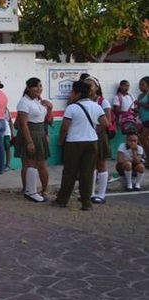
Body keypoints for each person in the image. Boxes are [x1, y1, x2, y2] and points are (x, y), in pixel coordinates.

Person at [54, 81, 108, 211]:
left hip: (74, 143)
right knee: (87, 173)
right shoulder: (96, 106)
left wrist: (61, 141)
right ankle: (86, 202)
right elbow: (105, 123)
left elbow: (64, 127)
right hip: (92, 142)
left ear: (77, 93)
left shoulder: (72, 108)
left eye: (73, 92)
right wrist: (94, 132)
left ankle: (62, 200)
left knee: (69, 173)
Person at [15, 78, 52, 203]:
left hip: (40, 133)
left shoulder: (40, 101)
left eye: (40, 86)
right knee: (30, 163)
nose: (39, 89)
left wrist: (50, 108)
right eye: (36, 86)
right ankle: (31, 191)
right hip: (30, 133)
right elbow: (23, 124)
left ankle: (41, 190)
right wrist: (29, 141)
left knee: (41, 164)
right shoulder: (24, 102)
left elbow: (47, 120)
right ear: (29, 88)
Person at [84, 76, 113, 204]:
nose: (88, 88)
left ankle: (101, 194)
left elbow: (107, 121)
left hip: (99, 135)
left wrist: (95, 131)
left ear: (97, 87)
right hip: (86, 135)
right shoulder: (82, 101)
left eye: (90, 85)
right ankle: (90, 193)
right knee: (90, 165)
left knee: (101, 164)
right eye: (86, 85)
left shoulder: (102, 102)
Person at [138, 76, 149, 157]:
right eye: (140, 85)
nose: (140, 87)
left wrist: (140, 104)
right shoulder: (140, 95)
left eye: (143, 84)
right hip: (144, 120)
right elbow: (140, 109)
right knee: (144, 139)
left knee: (142, 138)